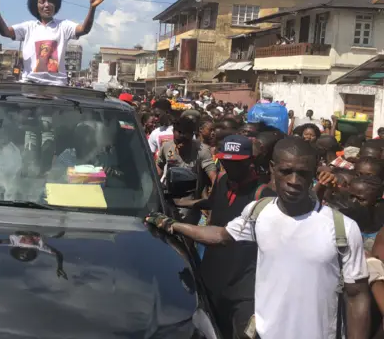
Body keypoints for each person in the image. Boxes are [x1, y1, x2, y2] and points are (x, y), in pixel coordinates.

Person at [146, 136, 370, 339]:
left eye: (302, 173)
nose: (294, 180)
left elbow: (358, 296)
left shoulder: (343, 229)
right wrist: (173, 225)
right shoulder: (259, 212)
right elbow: (221, 235)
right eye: (286, 171)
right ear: (273, 168)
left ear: (313, 173)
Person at [175, 135, 276, 338]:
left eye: (235, 163)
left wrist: (175, 226)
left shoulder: (263, 196)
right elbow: (212, 203)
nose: (230, 166)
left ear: (250, 161)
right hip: (212, 277)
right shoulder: (222, 180)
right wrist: (182, 203)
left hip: (243, 287)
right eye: (225, 161)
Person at [0, 0, 108, 85]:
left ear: (56, 4)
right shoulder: (28, 27)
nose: (47, 5)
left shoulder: (64, 26)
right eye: (42, 2)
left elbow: (84, 29)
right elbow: (5, 31)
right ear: (35, 6)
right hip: (30, 84)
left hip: (57, 86)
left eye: (50, 1)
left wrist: (92, 8)